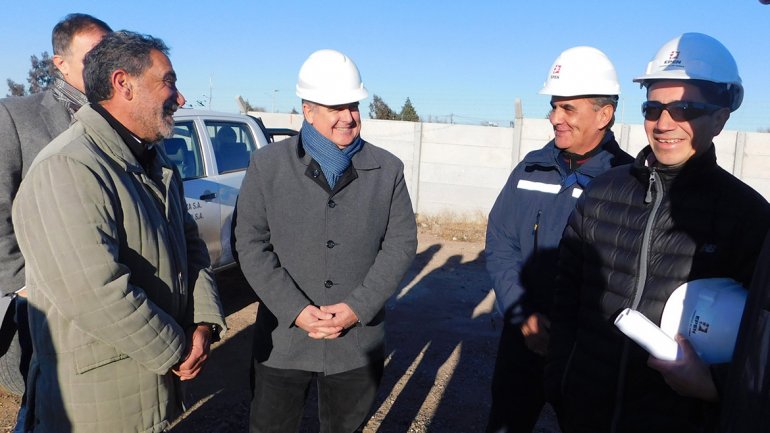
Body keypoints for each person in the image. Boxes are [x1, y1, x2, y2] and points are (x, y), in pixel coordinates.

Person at [545, 32, 770, 433]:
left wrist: (715, 385)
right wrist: (561, 380)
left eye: (684, 109)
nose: (664, 123)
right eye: (653, 108)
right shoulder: (602, 192)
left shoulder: (750, 219)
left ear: (720, 116)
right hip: (584, 414)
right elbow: (566, 295)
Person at [11, 31, 226, 432]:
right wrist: (177, 350)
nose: (179, 98)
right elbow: (95, 292)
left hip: (149, 384)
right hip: (96, 405)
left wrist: (203, 322)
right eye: (169, 82)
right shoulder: (69, 167)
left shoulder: (155, 162)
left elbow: (191, 247)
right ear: (122, 83)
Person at [233, 49, 417, 433]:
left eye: (353, 105)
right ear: (307, 109)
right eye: (335, 107)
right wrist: (295, 310)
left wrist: (356, 308)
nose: (348, 116)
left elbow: (400, 245)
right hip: (283, 340)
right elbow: (250, 244)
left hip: (356, 342)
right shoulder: (268, 165)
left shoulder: (387, 169)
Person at [484, 46, 632, 433]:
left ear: (604, 114)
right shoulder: (531, 169)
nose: (554, 118)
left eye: (568, 109)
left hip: (589, 352)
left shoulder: (627, 182)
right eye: (554, 107)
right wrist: (522, 314)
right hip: (524, 336)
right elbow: (501, 243)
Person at [0, 12, 111, 431]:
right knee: (43, 405)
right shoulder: (14, 117)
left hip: (106, 297)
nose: (105, 66)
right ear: (59, 63)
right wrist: (20, 283)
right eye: (92, 56)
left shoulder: (118, 120)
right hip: (41, 303)